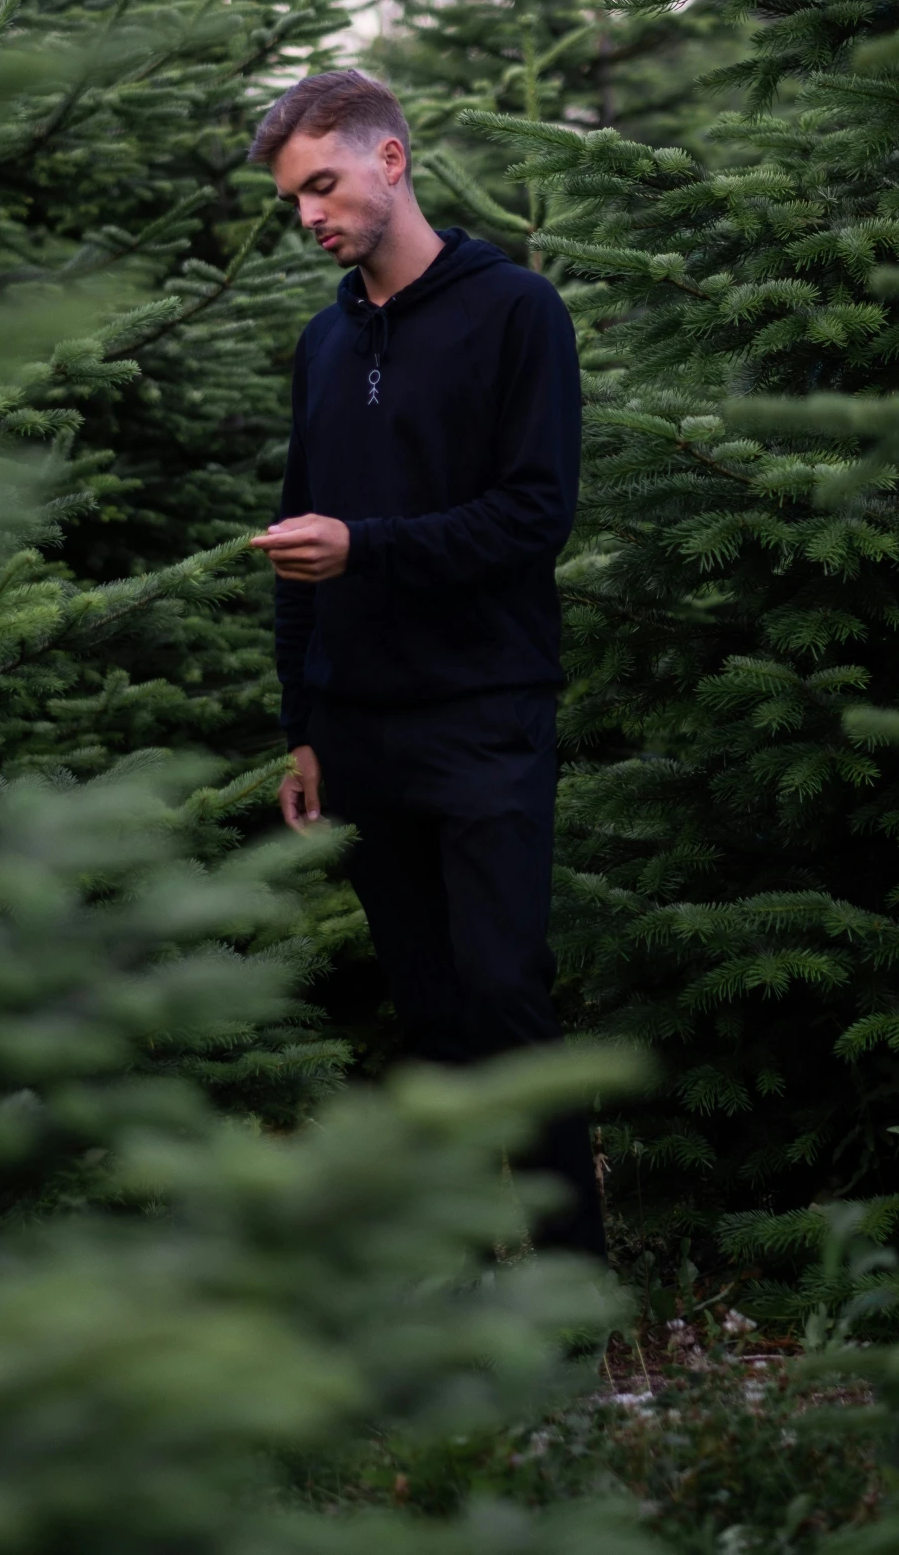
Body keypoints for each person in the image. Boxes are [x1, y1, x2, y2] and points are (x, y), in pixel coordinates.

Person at [246, 68, 605, 1258]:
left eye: (324, 184)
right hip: (358, 730)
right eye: (296, 198)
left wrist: (368, 548)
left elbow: (532, 516)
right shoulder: (322, 340)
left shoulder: (514, 313)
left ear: (391, 160)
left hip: (484, 714)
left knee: (505, 995)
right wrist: (304, 722)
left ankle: (569, 1285)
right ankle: (456, 1297)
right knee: (432, 1015)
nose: (311, 215)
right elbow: (300, 539)